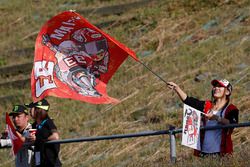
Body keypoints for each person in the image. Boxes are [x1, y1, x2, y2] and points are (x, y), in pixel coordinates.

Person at [167, 79, 239, 157]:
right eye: (215, 86)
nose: (216, 88)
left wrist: (216, 118)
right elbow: (188, 101)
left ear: (228, 91)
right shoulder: (207, 105)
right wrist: (177, 88)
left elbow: (233, 124)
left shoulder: (231, 109)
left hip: (222, 153)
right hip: (203, 153)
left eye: (220, 86)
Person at [26, 99, 61, 167]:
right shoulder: (34, 125)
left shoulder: (48, 122)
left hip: (50, 162)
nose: (29, 111)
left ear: (39, 110)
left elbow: (55, 136)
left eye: (32, 108)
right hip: (39, 161)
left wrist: (39, 139)